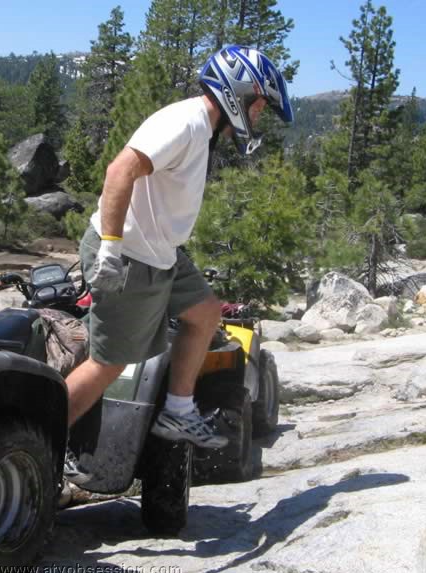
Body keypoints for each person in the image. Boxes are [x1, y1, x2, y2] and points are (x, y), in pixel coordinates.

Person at [65, 45, 293, 483]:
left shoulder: (203, 129)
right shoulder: (184, 122)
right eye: (260, 103)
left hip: (161, 255)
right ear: (237, 94)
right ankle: (39, 445)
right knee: (107, 363)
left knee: (205, 313)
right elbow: (119, 171)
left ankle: (178, 410)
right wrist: (110, 247)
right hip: (129, 255)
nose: (260, 114)